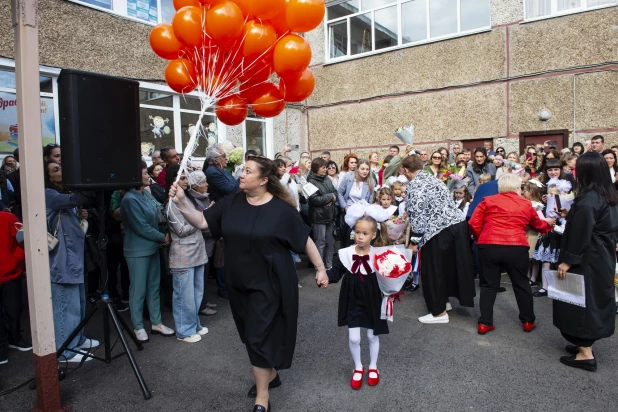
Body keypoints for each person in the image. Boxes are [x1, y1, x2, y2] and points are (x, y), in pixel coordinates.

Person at [168, 156, 329, 411]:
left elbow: (304, 239)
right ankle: (271, 374)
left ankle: (262, 397)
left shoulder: (282, 209)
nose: (241, 174)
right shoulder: (231, 201)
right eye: (243, 169)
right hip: (238, 281)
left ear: (264, 180)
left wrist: (320, 269)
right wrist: (180, 201)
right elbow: (201, 221)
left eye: (248, 171)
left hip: (271, 283)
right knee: (249, 334)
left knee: (257, 336)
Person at [554, 152, 618, 372]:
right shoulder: (607, 195)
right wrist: (570, 214)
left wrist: (567, 261)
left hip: (587, 259)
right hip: (602, 256)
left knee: (582, 301)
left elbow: (582, 233)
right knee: (594, 299)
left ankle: (585, 354)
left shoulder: (589, 199)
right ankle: (585, 343)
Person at [469, 174, 554, 335]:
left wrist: (482, 237)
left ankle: (485, 323)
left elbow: (474, 222)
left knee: (488, 285)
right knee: (521, 284)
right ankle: (528, 321)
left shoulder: (488, 200)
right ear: (517, 188)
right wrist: (547, 225)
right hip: (516, 247)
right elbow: (537, 224)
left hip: (489, 246)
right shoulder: (525, 203)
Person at [402, 155, 476, 324]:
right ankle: (445, 302)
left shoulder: (415, 185)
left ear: (406, 170)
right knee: (448, 267)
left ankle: (439, 312)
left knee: (433, 270)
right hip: (457, 226)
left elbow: (418, 215)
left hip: (437, 230)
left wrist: (414, 242)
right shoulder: (434, 179)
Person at [326, 216, 389, 390]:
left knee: (371, 335)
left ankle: (373, 367)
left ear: (374, 235)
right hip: (352, 298)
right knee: (354, 338)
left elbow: (389, 275)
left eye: (365, 233)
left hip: (373, 298)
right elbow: (336, 272)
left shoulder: (379, 254)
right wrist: (325, 277)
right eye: (357, 232)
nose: (360, 236)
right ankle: (358, 367)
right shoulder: (346, 253)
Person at [44, 161, 98, 362]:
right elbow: (74, 199)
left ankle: (78, 339)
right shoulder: (48, 194)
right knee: (65, 305)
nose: (62, 169)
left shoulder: (64, 195)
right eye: (56, 169)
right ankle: (65, 351)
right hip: (61, 259)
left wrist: (81, 215)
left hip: (74, 257)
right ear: (49, 177)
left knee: (78, 302)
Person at [120, 161, 174, 343]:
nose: (147, 176)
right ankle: (138, 326)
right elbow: (140, 227)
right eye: (144, 173)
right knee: (138, 290)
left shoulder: (146, 194)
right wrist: (162, 237)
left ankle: (157, 323)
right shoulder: (129, 199)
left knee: (153, 287)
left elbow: (160, 211)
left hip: (152, 247)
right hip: (137, 251)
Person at [165, 165, 209, 343]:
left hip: (197, 252)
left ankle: (194, 324)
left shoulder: (187, 198)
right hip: (183, 256)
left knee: (197, 293)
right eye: (182, 178)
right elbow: (180, 230)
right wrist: (201, 218)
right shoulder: (172, 202)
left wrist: (200, 217)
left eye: (186, 177)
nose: (186, 181)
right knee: (184, 296)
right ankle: (184, 330)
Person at [0, 211, 30, 364]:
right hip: (9, 271)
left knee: (14, 309)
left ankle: (15, 338)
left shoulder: (7, 217)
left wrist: (16, 258)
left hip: (9, 274)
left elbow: (25, 237)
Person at [186, 170, 218, 316]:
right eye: (203, 182)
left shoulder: (203, 197)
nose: (207, 184)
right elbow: (199, 223)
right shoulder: (193, 200)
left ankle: (203, 301)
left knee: (204, 275)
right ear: (196, 186)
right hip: (201, 242)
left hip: (208, 241)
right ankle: (201, 305)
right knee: (200, 276)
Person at [307, 158, 337, 270]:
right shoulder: (310, 181)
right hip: (318, 218)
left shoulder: (327, 179)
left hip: (329, 215)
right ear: (316, 168)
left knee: (330, 241)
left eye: (326, 167)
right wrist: (330, 197)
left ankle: (329, 265)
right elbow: (314, 199)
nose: (326, 169)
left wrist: (333, 198)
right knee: (320, 243)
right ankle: (319, 268)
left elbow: (335, 192)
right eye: (324, 167)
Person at [338, 159, 374, 247]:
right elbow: (339, 192)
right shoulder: (348, 178)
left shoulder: (371, 182)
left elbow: (370, 201)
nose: (365, 171)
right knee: (347, 240)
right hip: (348, 213)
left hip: (362, 215)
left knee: (360, 241)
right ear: (357, 169)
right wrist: (345, 207)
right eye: (362, 169)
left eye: (367, 169)